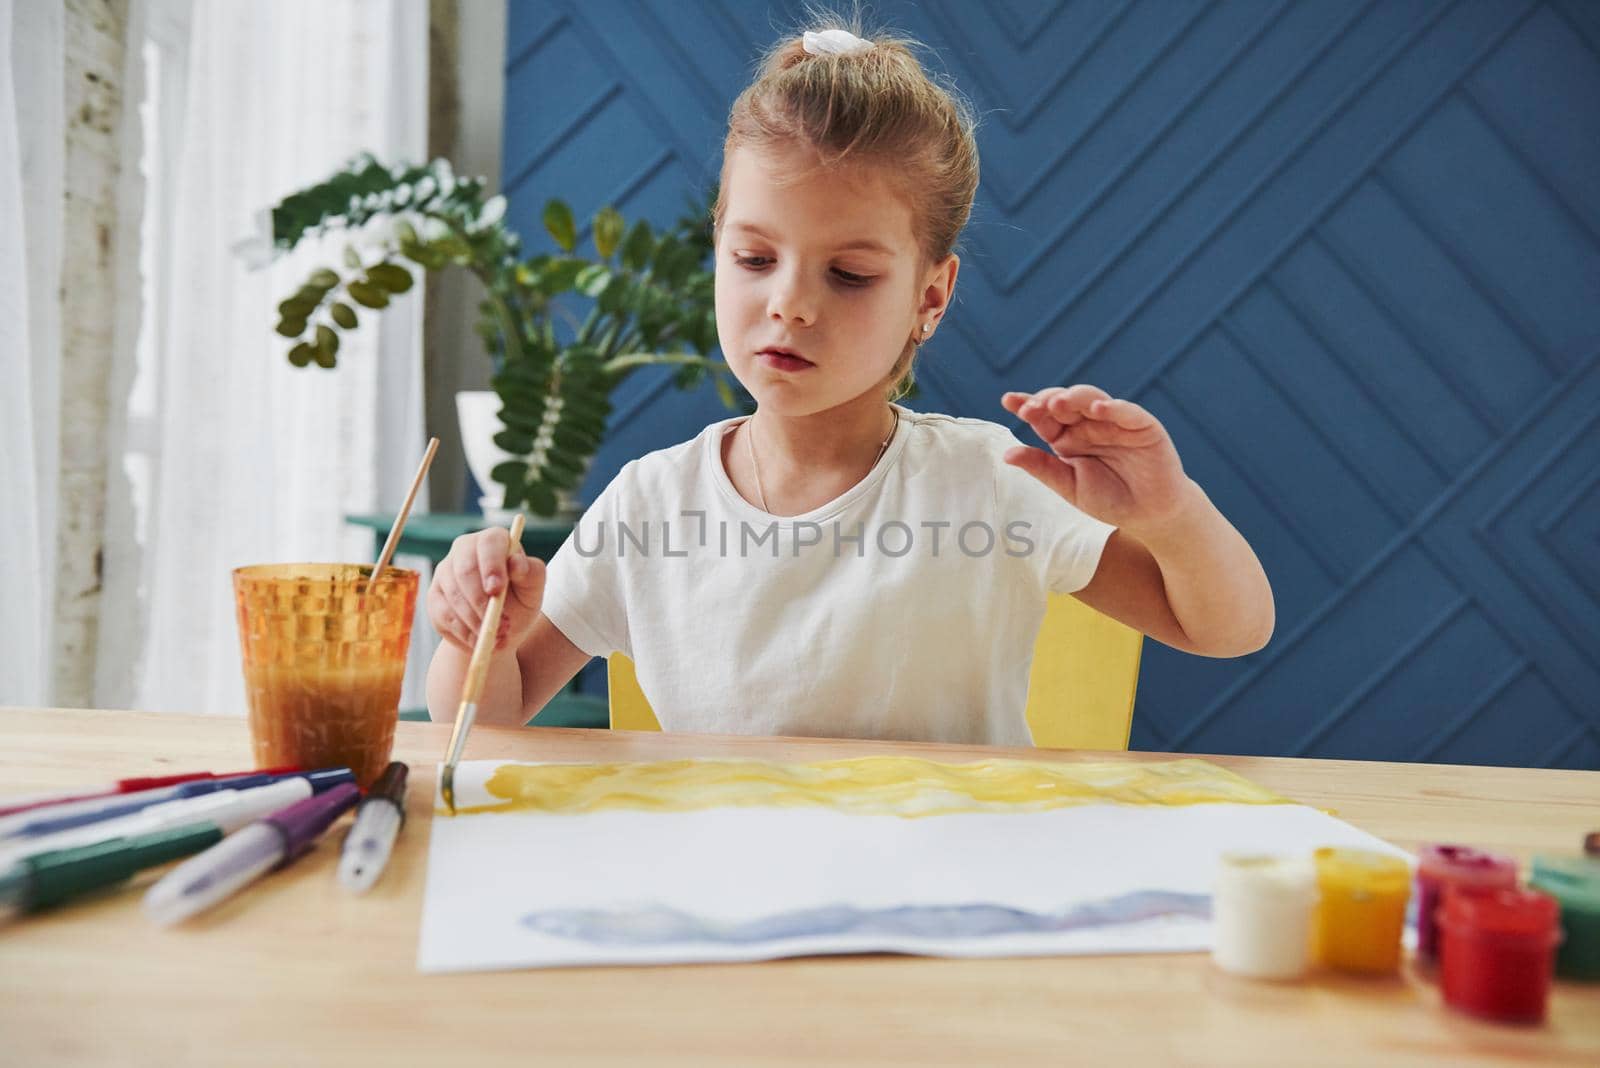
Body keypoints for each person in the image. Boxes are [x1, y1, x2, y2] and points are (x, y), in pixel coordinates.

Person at [426, 19, 1274, 744]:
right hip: (731, 908)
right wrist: (478, 633)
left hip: (950, 902)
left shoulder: (990, 484)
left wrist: (1169, 514)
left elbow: (1230, 629)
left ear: (929, 298)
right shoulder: (650, 506)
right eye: (755, 259)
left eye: (850, 275)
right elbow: (488, 720)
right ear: (716, 255)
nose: (789, 304)